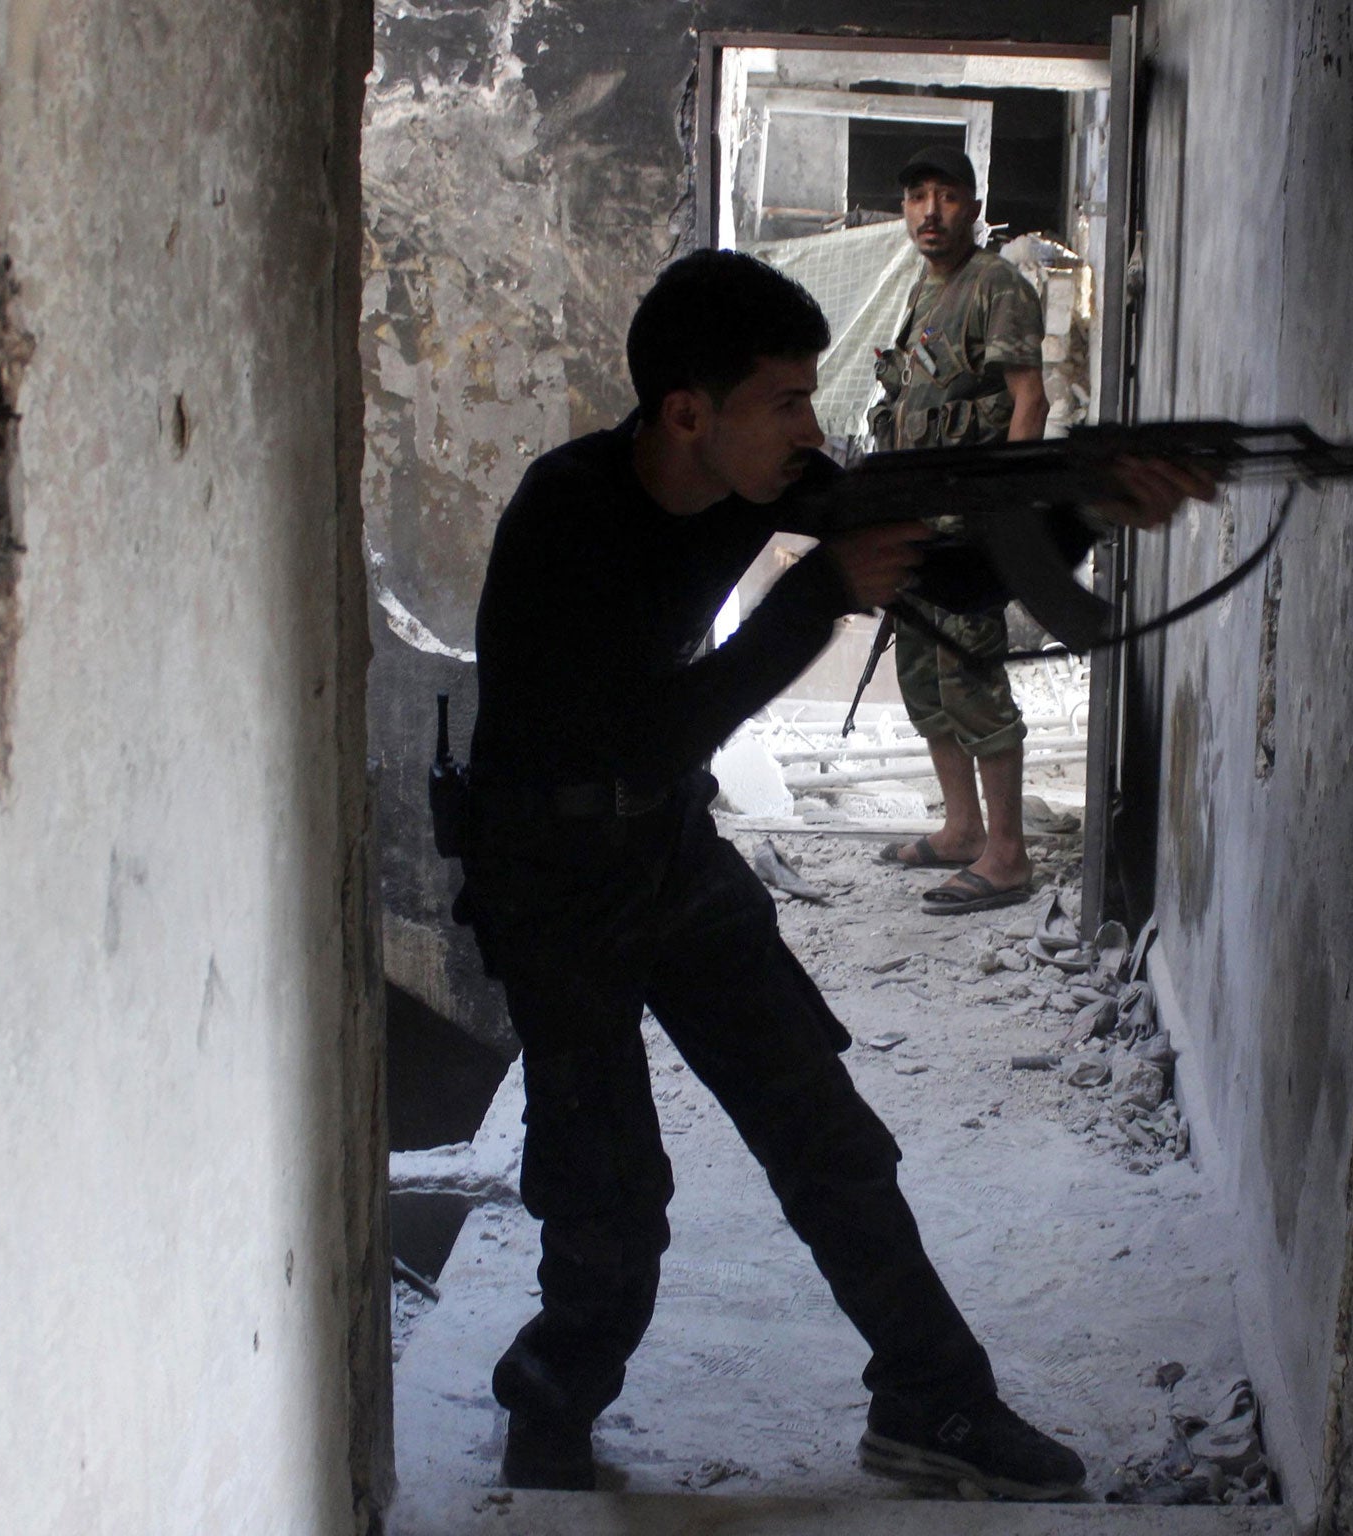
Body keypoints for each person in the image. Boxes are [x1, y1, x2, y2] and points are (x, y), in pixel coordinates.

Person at [454, 249, 1206, 1498]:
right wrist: (810, 602)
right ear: (688, 413)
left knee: (829, 1139)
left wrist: (1089, 507)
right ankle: (551, 1399)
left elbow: (945, 570)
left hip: (666, 855)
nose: (812, 429)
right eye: (786, 402)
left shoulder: (760, 481)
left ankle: (932, 1402)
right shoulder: (566, 515)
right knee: (610, 1192)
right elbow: (638, 733)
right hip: (550, 878)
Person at [869, 145, 1048, 916]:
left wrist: (1007, 511)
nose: (930, 211)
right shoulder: (923, 291)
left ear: (973, 207)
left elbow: (1029, 401)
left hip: (968, 521)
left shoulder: (995, 284)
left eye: (946, 196)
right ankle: (960, 830)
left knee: (971, 678)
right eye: (916, 197)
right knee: (921, 676)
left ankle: (1007, 856)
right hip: (918, 518)